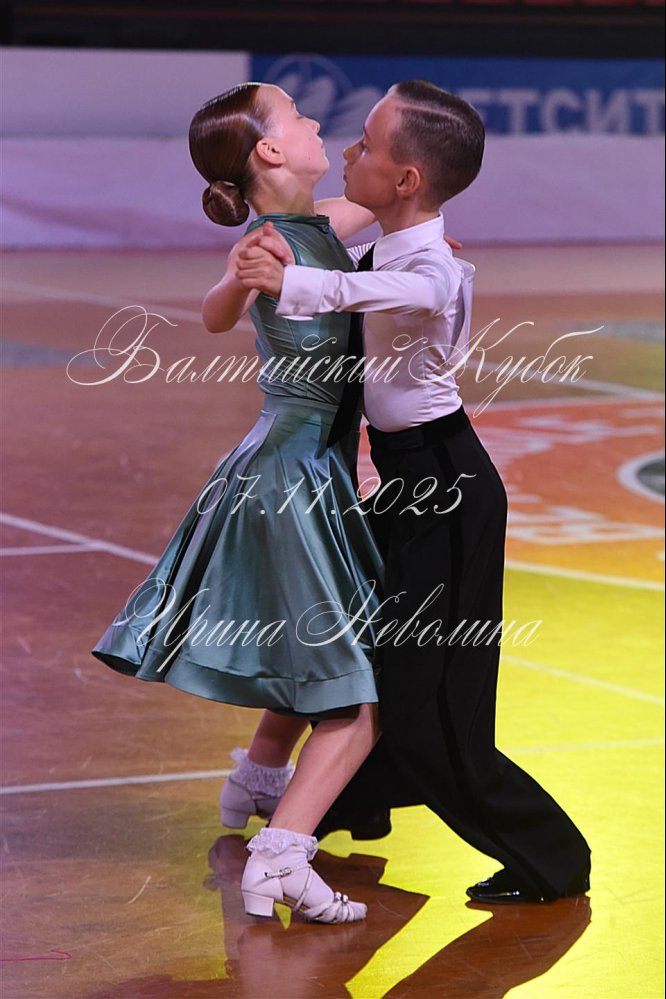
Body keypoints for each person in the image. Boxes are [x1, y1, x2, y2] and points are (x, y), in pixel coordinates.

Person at [233, 79, 592, 905]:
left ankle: (553, 860)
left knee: (435, 712)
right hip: (403, 483)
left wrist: (296, 284)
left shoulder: (429, 267)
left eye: (367, 143)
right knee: (366, 657)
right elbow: (331, 238)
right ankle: (339, 803)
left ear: (406, 180)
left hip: (449, 491)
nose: (349, 149)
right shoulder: (395, 242)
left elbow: (402, 291)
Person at [92, 81, 395, 924]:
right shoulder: (271, 242)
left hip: (303, 460)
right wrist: (238, 278)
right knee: (361, 682)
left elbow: (379, 210)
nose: (314, 123)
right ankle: (283, 853)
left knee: (312, 641)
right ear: (269, 149)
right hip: (290, 470)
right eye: (298, 116)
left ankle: (259, 777)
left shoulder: (316, 225)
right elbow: (214, 315)